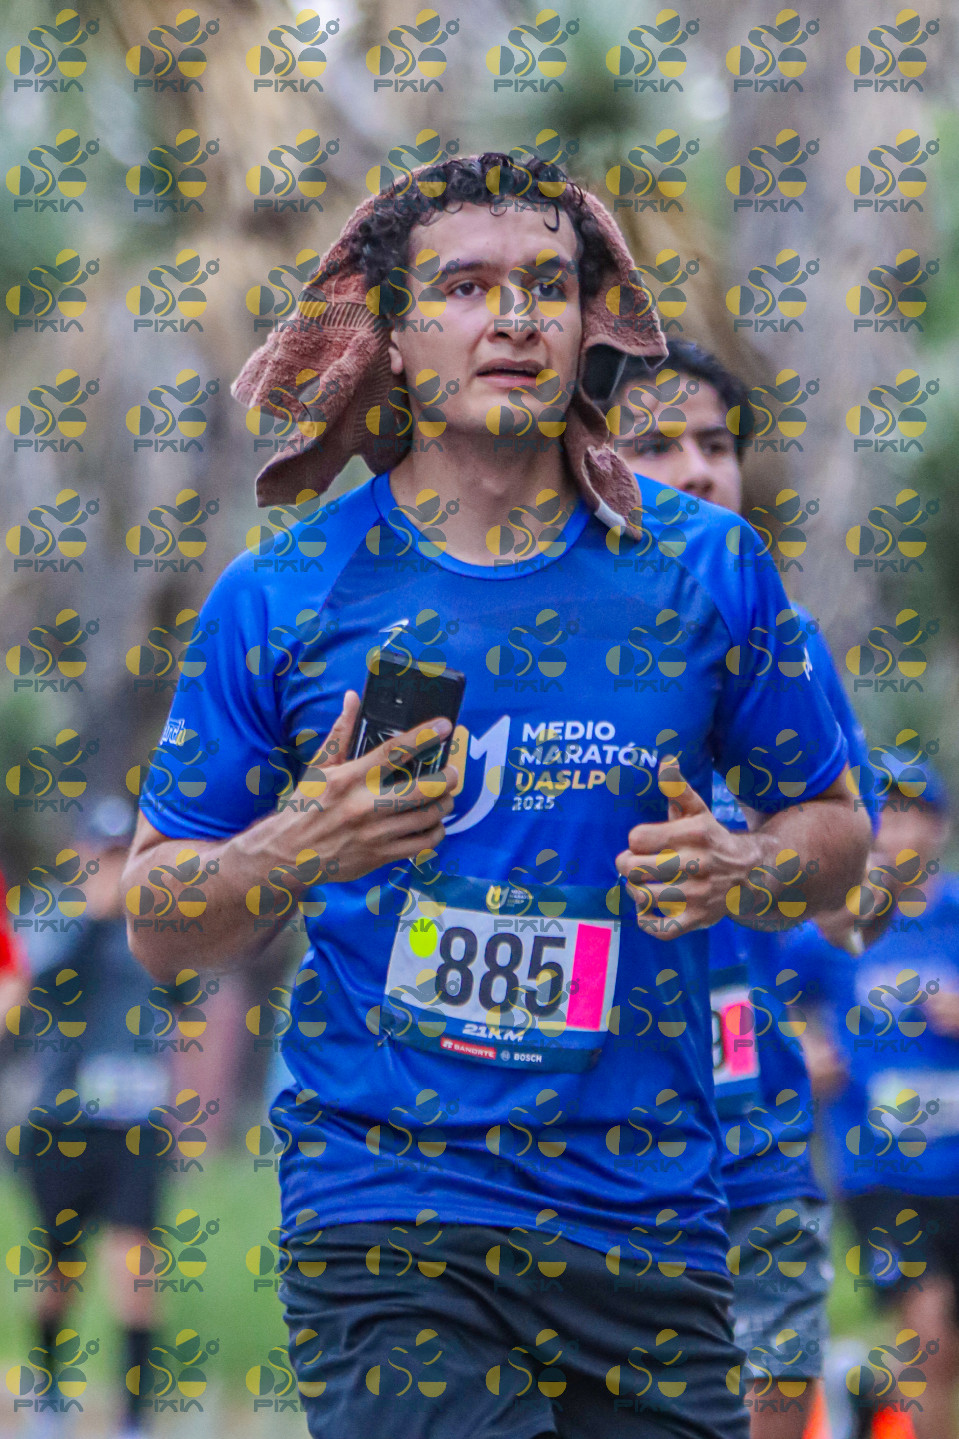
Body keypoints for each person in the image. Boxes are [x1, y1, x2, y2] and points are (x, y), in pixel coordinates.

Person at [123, 152, 870, 1439]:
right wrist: (300, 842)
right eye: (464, 287)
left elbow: (838, 832)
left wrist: (744, 867)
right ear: (394, 335)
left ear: (585, 328)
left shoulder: (704, 568)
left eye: (546, 286)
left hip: (645, 1214)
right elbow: (157, 920)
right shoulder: (284, 594)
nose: (512, 317)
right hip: (385, 1210)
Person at [608, 337, 879, 1438]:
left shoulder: (787, 650)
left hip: (754, 1135)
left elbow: (849, 895)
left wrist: (764, 882)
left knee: (765, 1407)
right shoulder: (539, 642)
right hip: (589, 1140)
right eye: (655, 443)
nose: (696, 468)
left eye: (715, 444)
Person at [786, 752, 959, 1439]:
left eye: (913, 812)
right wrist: (800, 1048)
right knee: (927, 1329)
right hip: (879, 1169)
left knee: (942, 1349)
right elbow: (765, 994)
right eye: (883, 814)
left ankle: (867, 1403)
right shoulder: (834, 929)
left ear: (940, 828)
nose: (897, 829)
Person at [8, 797, 176, 1438]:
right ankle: (48, 1391)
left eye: (118, 855)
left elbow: (184, 992)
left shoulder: (152, 925)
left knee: (136, 1265)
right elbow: (33, 980)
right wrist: (89, 914)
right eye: (99, 855)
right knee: (59, 1270)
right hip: (62, 1121)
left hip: (134, 1123)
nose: (109, 868)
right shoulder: (47, 914)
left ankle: (134, 1418)